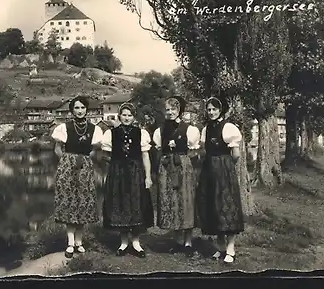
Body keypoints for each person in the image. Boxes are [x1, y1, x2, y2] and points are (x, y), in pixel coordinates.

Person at [51, 95, 104, 258]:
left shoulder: (94, 129)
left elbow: (95, 150)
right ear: (72, 110)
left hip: (85, 168)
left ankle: (79, 242)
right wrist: (66, 161)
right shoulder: (63, 127)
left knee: (83, 202)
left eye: (82, 108)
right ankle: (70, 243)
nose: (80, 111)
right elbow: (57, 149)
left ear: (86, 109)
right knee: (69, 202)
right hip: (67, 168)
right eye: (76, 108)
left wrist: (87, 159)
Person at [101, 103, 154, 258]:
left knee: (136, 204)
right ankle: (124, 243)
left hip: (135, 171)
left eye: (130, 115)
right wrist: (108, 175)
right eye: (124, 114)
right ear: (119, 116)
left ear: (134, 117)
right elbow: (106, 158)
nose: (127, 118)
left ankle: (136, 243)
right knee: (121, 204)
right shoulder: (111, 133)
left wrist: (148, 176)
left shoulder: (141, 133)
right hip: (117, 172)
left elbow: (145, 156)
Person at [196, 96, 244, 264]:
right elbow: (204, 151)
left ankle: (231, 249)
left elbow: (236, 155)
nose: (211, 112)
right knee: (213, 208)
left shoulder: (229, 127)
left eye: (214, 109)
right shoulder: (206, 129)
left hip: (224, 170)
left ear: (220, 110)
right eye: (209, 109)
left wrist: (227, 167)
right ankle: (220, 248)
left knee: (226, 208)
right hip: (209, 172)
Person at [153, 96, 201, 256]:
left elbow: (193, 152)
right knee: (171, 202)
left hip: (183, 166)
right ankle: (177, 241)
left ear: (179, 110)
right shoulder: (160, 131)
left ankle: (188, 242)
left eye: (173, 109)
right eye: (167, 109)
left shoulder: (189, 129)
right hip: (166, 167)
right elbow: (159, 149)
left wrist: (188, 166)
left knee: (185, 202)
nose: (170, 112)